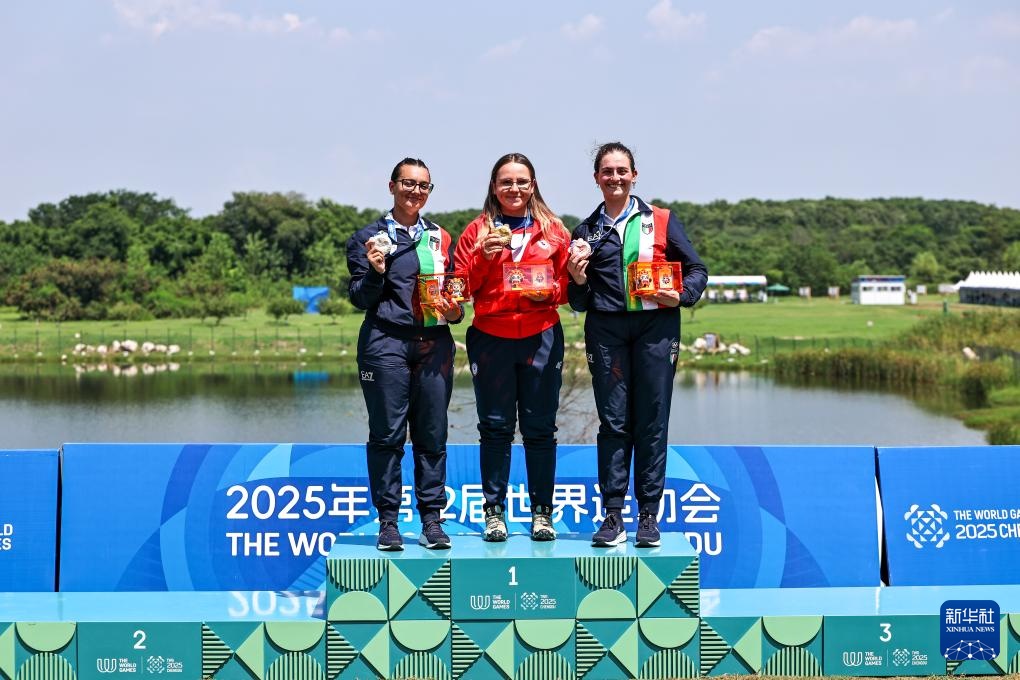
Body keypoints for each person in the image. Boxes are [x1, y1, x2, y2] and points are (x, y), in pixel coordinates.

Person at [566, 142, 708, 548]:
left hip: (656, 329)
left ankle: (648, 515)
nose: (615, 177)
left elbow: (697, 269)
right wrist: (577, 278)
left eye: (621, 170)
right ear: (596, 178)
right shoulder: (585, 231)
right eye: (607, 171)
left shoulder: (661, 220)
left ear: (634, 175)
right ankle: (612, 515)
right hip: (606, 332)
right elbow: (578, 301)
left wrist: (681, 295)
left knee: (652, 421)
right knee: (613, 423)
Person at [346, 157, 463, 551]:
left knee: (432, 433)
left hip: (435, 343)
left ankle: (431, 521)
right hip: (385, 343)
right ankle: (388, 523)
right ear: (392, 186)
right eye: (408, 183)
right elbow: (359, 297)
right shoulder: (368, 237)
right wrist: (375, 271)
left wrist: (454, 311)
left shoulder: (441, 238)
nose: (415, 191)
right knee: (387, 435)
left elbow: (455, 302)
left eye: (423, 185)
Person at [454, 153, 570, 542]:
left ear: (533, 185)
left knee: (540, 428)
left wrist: (547, 292)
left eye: (522, 181)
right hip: (492, 337)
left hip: (542, 335)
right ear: (494, 186)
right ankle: (494, 514)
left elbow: (568, 286)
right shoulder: (477, 231)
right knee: (495, 427)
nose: (514, 188)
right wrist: (483, 258)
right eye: (506, 181)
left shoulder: (554, 230)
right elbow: (461, 288)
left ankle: (542, 514)